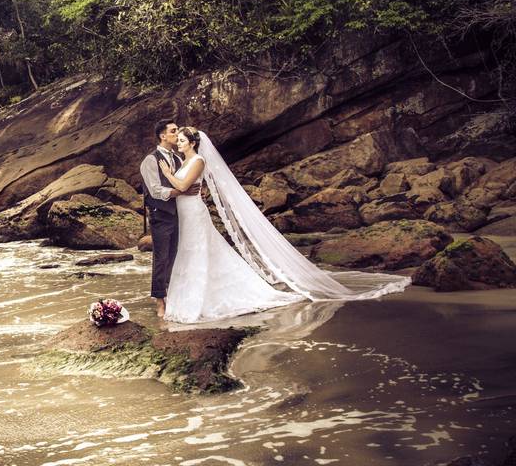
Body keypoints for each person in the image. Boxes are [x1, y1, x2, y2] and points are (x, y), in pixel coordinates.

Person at [156, 127, 411, 323]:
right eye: (176, 139)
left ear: (193, 142)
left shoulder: (198, 161)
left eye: (181, 140)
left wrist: (167, 175)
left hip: (193, 212)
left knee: (197, 252)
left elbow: (181, 186)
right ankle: (192, 297)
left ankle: (202, 301)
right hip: (185, 212)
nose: (177, 142)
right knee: (192, 253)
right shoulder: (184, 162)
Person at [138, 120, 183, 319]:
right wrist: (178, 191)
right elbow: (155, 190)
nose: (177, 133)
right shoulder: (150, 160)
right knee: (161, 259)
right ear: (162, 136)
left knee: (175, 256)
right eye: (173, 131)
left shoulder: (179, 159)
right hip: (160, 214)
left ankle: (174, 294)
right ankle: (160, 302)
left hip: (179, 214)